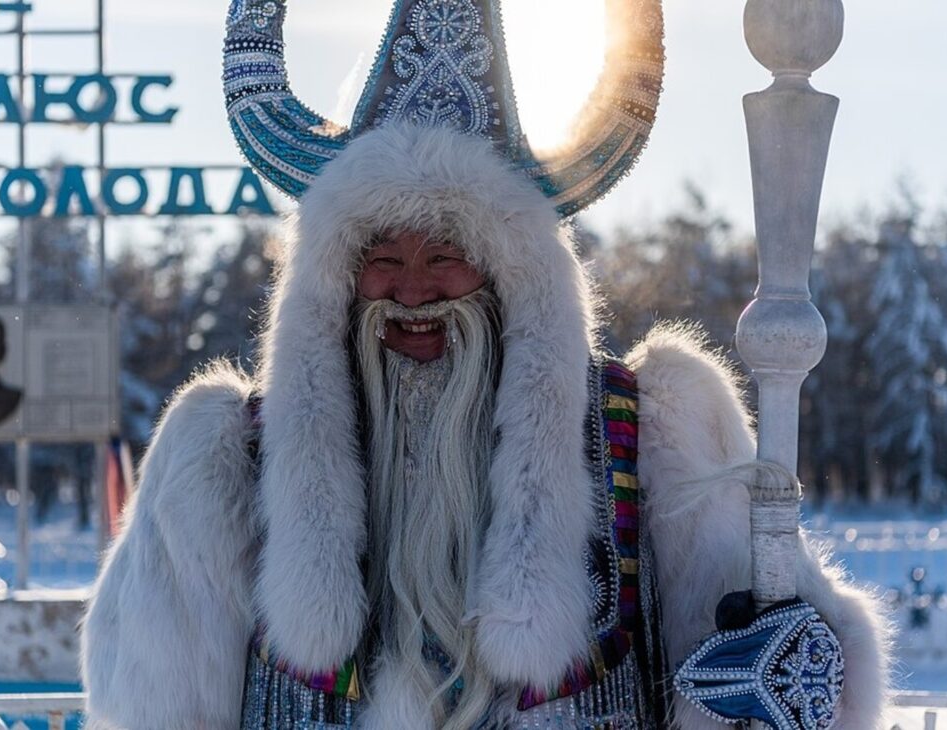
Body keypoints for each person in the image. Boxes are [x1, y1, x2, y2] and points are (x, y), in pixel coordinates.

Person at [82, 2, 889, 728]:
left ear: (512, 275)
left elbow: (767, 668)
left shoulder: (652, 431)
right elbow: (152, 701)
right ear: (334, 278)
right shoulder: (225, 457)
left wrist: (782, 665)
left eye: (448, 253)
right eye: (381, 257)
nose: (412, 292)